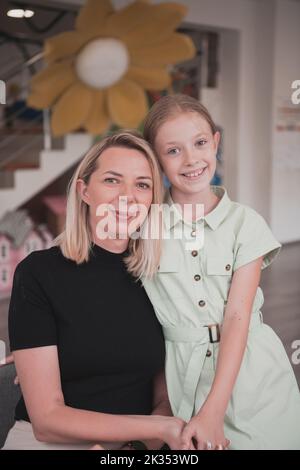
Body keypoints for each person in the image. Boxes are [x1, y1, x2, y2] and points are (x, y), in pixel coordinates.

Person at [2, 130, 186, 450]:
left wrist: (141, 442)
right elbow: (46, 421)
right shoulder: (38, 272)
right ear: (84, 191)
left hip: (138, 442)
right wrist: (158, 428)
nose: (127, 196)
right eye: (112, 180)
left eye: (142, 184)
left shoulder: (160, 276)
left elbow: (164, 394)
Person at [142, 94, 300, 450]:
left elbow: (238, 315)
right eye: (173, 151)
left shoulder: (246, 223)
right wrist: (50, 338)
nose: (191, 159)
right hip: (181, 374)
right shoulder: (146, 228)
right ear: (156, 159)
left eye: (199, 143)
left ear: (215, 141)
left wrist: (212, 411)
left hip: (253, 372)